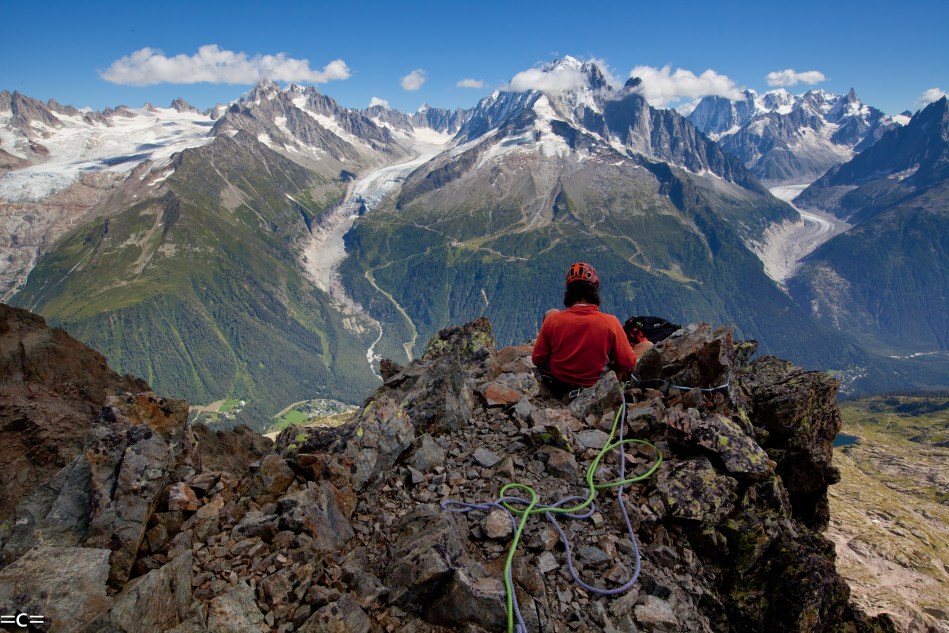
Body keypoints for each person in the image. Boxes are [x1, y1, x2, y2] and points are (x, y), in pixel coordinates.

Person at [532, 262, 637, 399]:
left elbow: (537, 358)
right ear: (594, 292)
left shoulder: (553, 320)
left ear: (569, 293)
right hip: (596, 388)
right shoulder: (610, 322)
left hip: (558, 386)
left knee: (551, 312)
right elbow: (628, 362)